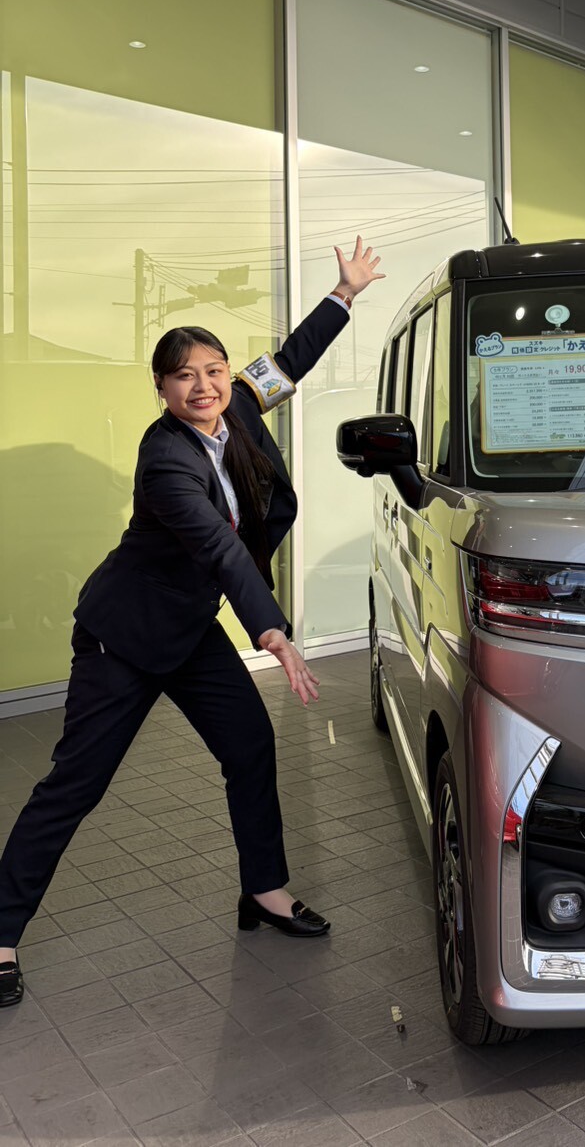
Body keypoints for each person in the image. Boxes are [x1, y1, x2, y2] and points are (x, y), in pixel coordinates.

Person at [0, 238, 385, 1007]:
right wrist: (271, 630)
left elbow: (291, 360)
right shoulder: (165, 461)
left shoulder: (237, 402)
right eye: (185, 375)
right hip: (124, 636)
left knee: (249, 744)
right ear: (161, 389)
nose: (204, 384)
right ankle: (1, 932)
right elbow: (219, 548)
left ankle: (265, 891)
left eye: (213, 368)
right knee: (75, 784)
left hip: (187, 627)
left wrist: (344, 294)